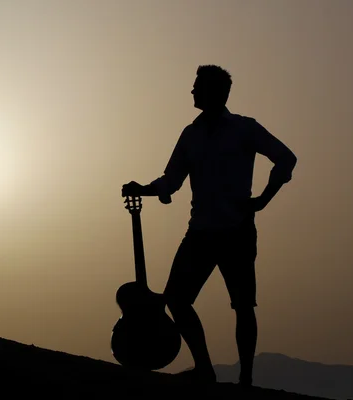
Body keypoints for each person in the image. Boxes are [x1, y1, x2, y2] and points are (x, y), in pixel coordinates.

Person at [121, 65, 297, 387]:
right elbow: (171, 181)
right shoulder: (191, 135)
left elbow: (286, 159)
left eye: (197, 87)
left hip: (237, 232)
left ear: (215, 93)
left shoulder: (245, 129)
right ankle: (205, 369)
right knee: (176, 299)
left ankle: (246, 378)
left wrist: (263, 199)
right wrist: (142, 189)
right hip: (200, 232)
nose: (191, 92)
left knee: (243, 306)